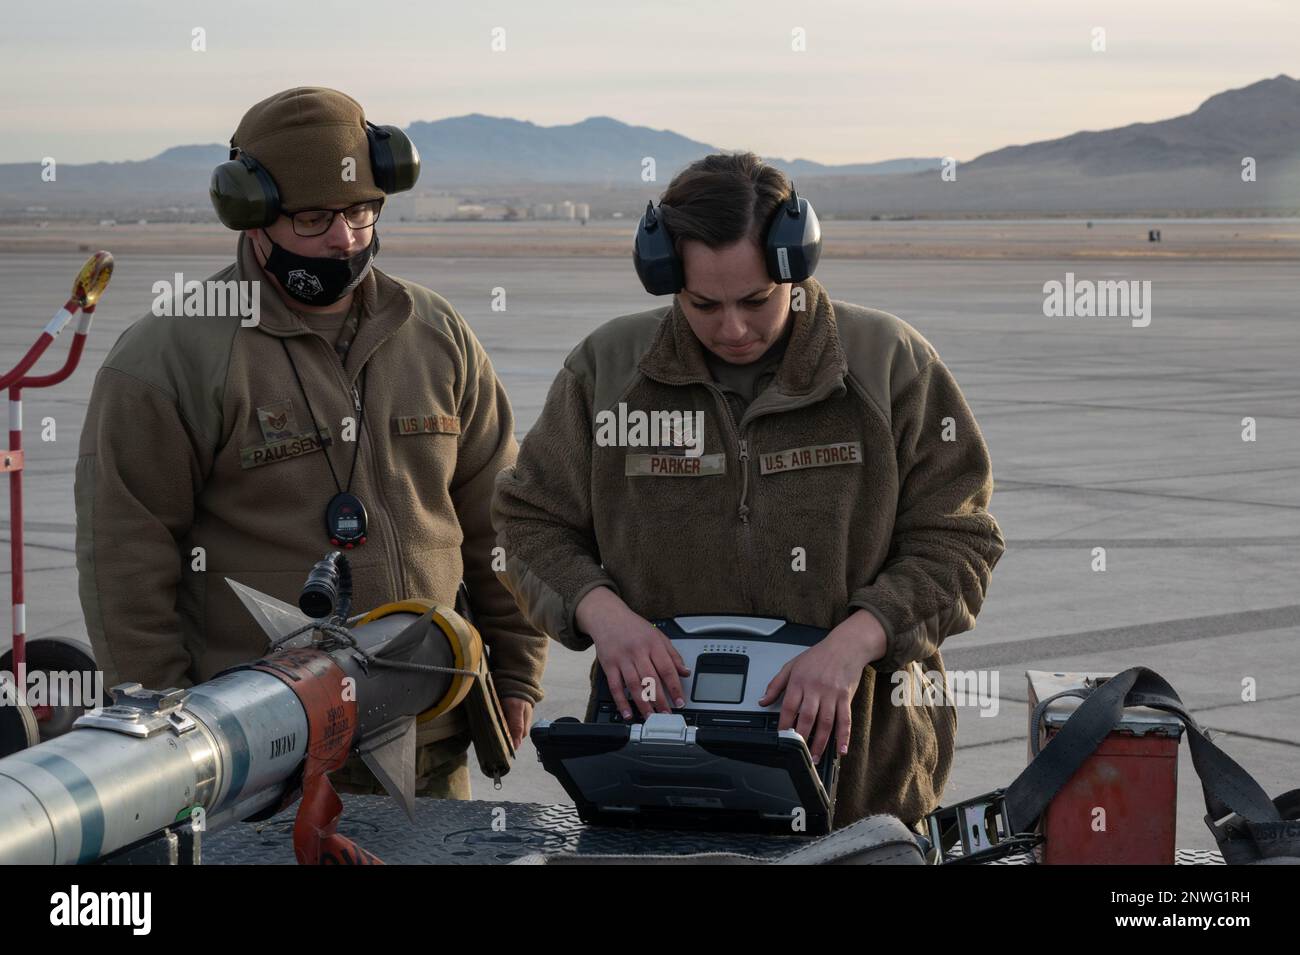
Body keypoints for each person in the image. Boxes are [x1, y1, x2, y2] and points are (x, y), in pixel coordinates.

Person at [492, 152, 1005, 828]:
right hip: (659, 766)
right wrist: (601, 612)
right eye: (703, 304)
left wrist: (857, 640)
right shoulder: (608, 372)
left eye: (757, 300)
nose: (733, 328)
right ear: (667, 276)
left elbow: (959, 538)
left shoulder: (887, 365)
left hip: (864, 776)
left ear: (796, 263)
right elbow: (529, 524)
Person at [74, 87, 547, 799]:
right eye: (315, 218)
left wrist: (516, 671)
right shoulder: (169, 357)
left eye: (362, 212)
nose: (345, 239)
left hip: (429, 740)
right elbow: (124, 558)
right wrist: (168, 740)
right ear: (253, 213)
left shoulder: (436, 334)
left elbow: (498, 519)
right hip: (259, 764)